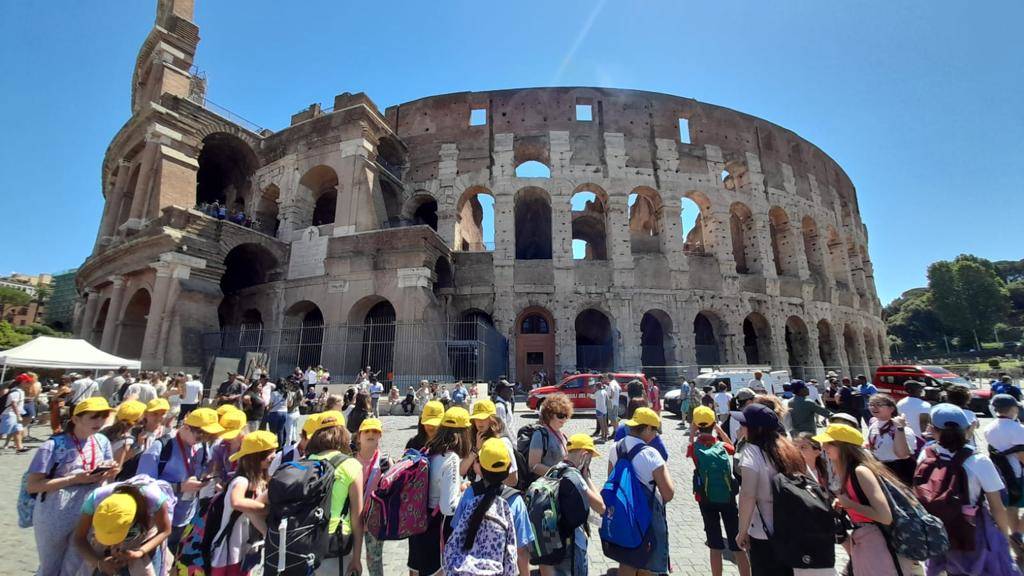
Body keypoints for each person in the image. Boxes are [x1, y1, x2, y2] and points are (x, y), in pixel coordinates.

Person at [920, 403, 1017, 575]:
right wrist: (1004, 537)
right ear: (968, 428)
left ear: (933, 430)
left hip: (939, 528)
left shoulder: (926, 454)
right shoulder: (978, 460)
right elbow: (997, 507)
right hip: (973, 528)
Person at [26, 397, 118, 575]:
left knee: (75, 565)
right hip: (55, 511)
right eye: (93, 417)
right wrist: (73, 479)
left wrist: (109, 471)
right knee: (50, 566)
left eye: (103, 417)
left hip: (89, 508)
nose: (99, 422)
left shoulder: (102, 441)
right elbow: (33, 485)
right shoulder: (52, 445)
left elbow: (108, 472)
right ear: (76, 419)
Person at [734, 403, 828, 576]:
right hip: (795, 531)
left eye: (743, 424)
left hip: (765, 532)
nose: (740, 428)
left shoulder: (752, 452)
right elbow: (812, 483)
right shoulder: (788, 447)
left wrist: (742, 531)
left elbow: (747, 494)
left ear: (757, 428)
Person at [813, 422, 914, 576]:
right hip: (865, 538)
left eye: (829, 443)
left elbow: (884, 516)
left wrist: (850, 504)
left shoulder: (860, 471)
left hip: (877, 540)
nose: (824, 447)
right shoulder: (849, 471)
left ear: (844, 447)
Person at [138, 407, 224, 552]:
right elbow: (142, 487)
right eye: (201, 435)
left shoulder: (201, 446)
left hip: (187, 515)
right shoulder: (160, 448)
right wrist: (179, 487)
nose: (204, 440)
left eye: (209, 437)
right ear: (186, 427)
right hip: (160, 519)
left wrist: (204, 478)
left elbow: (203, 468)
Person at [604, 407, 674, 575]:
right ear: (648, 428)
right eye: (655, 430)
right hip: (647, 517)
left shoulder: (616, 448)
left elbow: (611, 479)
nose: (656, 434)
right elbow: (668, 494)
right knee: (650, 563)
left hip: (624, 515)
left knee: (627, 560)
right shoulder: (651, 454)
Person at [409, 406, 472, 576]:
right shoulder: (451, 458)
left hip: (420, 521)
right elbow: (448, 507)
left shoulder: (431, 449)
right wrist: (464, 495)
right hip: (437, 528)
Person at [688, 406, 750, 576]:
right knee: (737, 542)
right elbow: (733, 447)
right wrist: (719, 429)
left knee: (715, 544)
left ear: (695, 424)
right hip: (727, 497)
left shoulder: (695, 448)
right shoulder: (721, 445)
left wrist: (692, 432)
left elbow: (690, 447)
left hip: (706, 498)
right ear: (713, 423)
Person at [72, 475, 174, 576]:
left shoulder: (154, 499)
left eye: (114, 540)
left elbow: (165, 530)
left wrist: (140, 552)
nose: (113, 545)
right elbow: (79, 538)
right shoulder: (95, 499)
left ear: (130, 524)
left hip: (147, 542)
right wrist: (99, 563)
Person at [445, 437, 519, 576]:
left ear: (479, 467)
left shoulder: (470, 494)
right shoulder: (515, 500)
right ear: (509, 467)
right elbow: (520, 550)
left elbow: (456, 531)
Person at [304, 411, 365, 576]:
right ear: (343, 434)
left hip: (304, 543)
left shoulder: (304, 462)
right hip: (335, 545)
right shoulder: (351, 465)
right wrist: (357, 557)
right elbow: (357, 518)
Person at [534, 433, 604, 576]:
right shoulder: (574, 477)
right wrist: (586, 477)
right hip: (571, 543)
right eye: (590, 458)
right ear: (584, 455)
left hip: (553, 540)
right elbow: (601, 506)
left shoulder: (554, 470)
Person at [211, 430, 276, 576]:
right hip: (231, 546)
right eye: (270, 452)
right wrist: (264, 508)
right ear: (257, 456)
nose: (274, 455)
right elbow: (236, 501)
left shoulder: (260, 480)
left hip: (245, 545)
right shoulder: (241, 480)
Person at [354, 418, 392, 576]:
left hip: (374, 522)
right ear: (358, 436)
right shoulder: (349, 460)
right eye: (367, 431)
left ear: (380, 436)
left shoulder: (385, 462)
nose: (371, 434)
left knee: (375, 562)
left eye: (375, 431)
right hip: (352, 519)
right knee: (350, 560)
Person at [984, 394, 1024, 542]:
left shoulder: (989, 428)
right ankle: (1018, 533)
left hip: (1000, 473)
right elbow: (1022, 455)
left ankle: (1016, 536)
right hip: (1018, 473)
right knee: (1015, 505)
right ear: (1013, 409)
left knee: (1011, 507)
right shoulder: (1018, 428)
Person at [865, 394, 917, 485]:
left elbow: (903, 454)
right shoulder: (873, 425)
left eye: (879, 404)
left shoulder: (903, 429)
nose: (874, 407)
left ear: (892, 409)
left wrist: (900, 429)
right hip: (879, 467)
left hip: (900, 469)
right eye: (871, 404)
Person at [466, 399, 518, 487]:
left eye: (484, 418)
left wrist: (483, 474)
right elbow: (462, 470)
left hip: (499, 498)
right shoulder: (475, 440)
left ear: (492, 419)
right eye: (477, 418)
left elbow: (513, 480)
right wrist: (476, 450)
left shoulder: (503, 443)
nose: (480, 422)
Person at [530, 394, 573, 478]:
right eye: (560, 415)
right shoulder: (540, 435)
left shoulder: (563, 435)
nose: (564, 419)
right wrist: (558, 474)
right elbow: (533, 465)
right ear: (549, 414)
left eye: (566, 415)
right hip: (546, 486)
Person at [207, 408, 248, 486]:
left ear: (243, 428)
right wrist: (217, 480)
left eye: (232, 433)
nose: (227, 437)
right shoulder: (220, 446)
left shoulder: (251, 448)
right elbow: (217, 469)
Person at [104, 400, 147, 465]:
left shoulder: (106, 428)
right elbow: (118, 464)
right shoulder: (126, 441)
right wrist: (139, 445)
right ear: (136, 420)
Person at [2, 373, 29, 452]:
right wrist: (18, 416)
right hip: (9, 414)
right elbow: (13, 404)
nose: (29, 383)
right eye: (27, 381)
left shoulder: (19, 391)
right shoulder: (16, 391)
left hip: (13, 414)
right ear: (23, 382)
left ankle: (19, 448)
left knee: (18, 431)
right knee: (2, 432)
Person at [265, 378, 289, 447]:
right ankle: (279, 448)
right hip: (284, 412)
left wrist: (268, 409)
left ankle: (272, 446)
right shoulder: (286, 393)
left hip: (275, 413)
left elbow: (271, 404)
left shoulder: (274, 393)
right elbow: (289, 403)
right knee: (280, 432)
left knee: (272, 432)